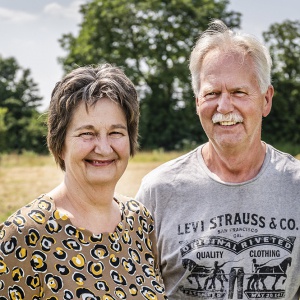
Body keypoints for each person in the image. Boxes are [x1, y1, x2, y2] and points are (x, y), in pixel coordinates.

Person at [136, 19, 300, 299]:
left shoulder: (296, 187)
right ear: (197, 101)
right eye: (212, 93)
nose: (224, 106)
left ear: (266, 100)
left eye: (239, 92)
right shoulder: (158, 191)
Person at [0, 64, 167, 299]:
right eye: (87, 133)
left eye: (116, 132)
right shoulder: (24, 235)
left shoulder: (139, 221)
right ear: (59, 144)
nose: (103, 147)